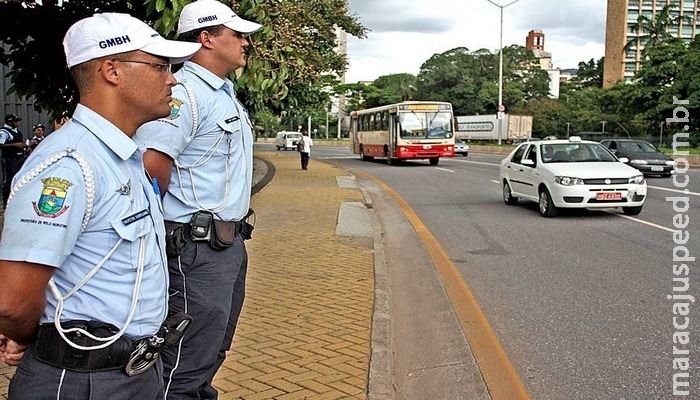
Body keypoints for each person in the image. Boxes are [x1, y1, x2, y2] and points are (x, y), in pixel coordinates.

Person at [0, 13, 199, 400]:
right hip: (82, 379)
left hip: (130, 373)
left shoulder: (123, 157)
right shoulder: (69, 164)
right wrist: (33, 339)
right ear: (112, 70)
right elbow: (13, 299)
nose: (173, 78)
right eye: (160, 66)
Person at [134, 0, 261, 398]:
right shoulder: (185, 94)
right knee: (183, 367)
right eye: (236, 34)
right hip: (195, 250)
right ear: (206, 38)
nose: (245, 43)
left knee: (208, 354)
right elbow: (152, 168)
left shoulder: (223, 95)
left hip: (225, 245)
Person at [0, 113, 29, 208]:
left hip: (19, 158)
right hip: (9, 159)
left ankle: (16, 200)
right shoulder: (4, 132)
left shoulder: (16, 131)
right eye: (16, 121)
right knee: (8, 180)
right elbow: (1, 144)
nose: (18, 123)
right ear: (9, 122)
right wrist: (15, 145)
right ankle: (6, 202)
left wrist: (24, 147)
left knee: (19, 179)